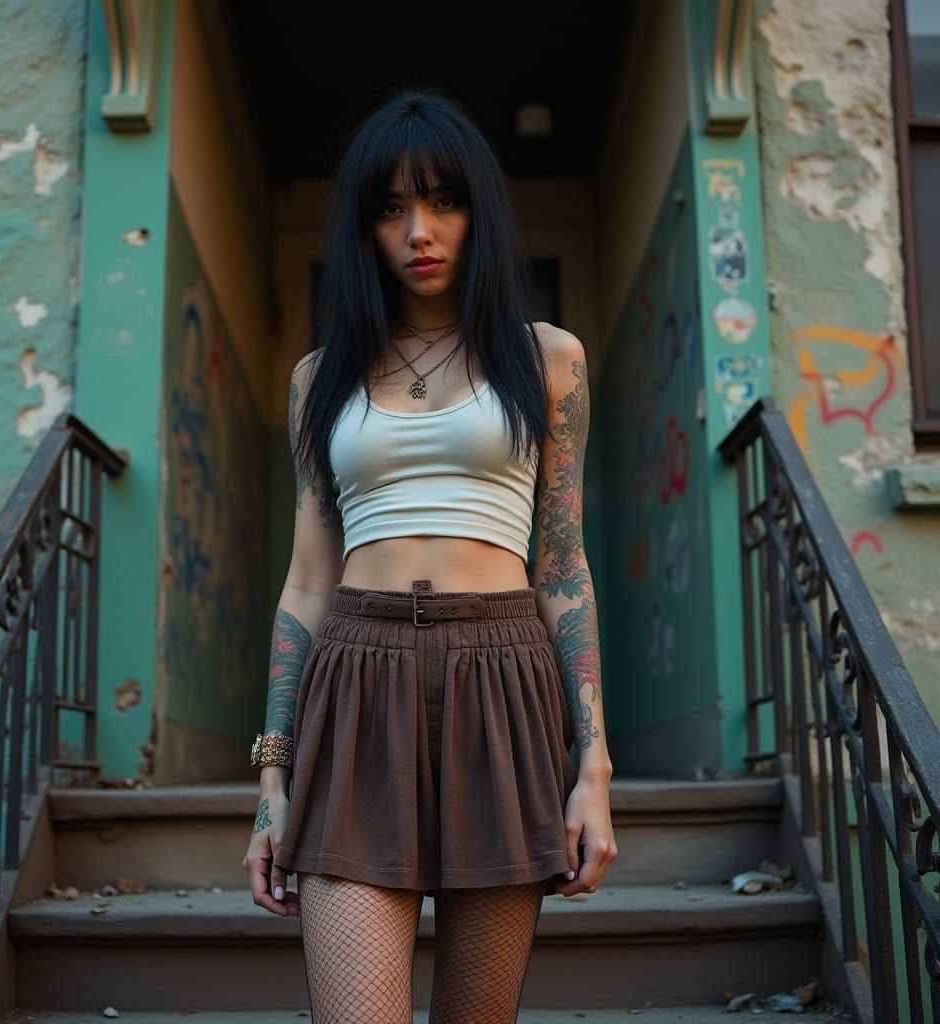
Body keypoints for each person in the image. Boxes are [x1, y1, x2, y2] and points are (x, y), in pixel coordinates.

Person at [242, 87, 617, 1024]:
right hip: (357, 682)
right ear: (363, 224)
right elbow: (306, 579)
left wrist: (594, 770)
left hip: (503, 677)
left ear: (478, 210)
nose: (420, 229)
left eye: (444, 200)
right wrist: (272, 780)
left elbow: (562, 566)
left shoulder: (548, 361)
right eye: (391, 206)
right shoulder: (317, 380)